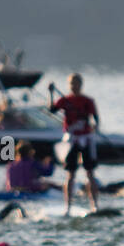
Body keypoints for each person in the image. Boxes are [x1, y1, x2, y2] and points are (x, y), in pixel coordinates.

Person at [49, 74, 101, 213]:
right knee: (70, 174)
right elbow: (52, 110)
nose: (74, 86)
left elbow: (96, 119)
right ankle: (68, 207)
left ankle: (94, 205)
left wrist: (95, 126)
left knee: (90, 173)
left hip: (86, 139)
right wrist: (51, 93)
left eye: (76, 83)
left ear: (80, 84)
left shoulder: (87, 101)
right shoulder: (65, 100)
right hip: (71, 140)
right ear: (69, 85)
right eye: (71, 84)